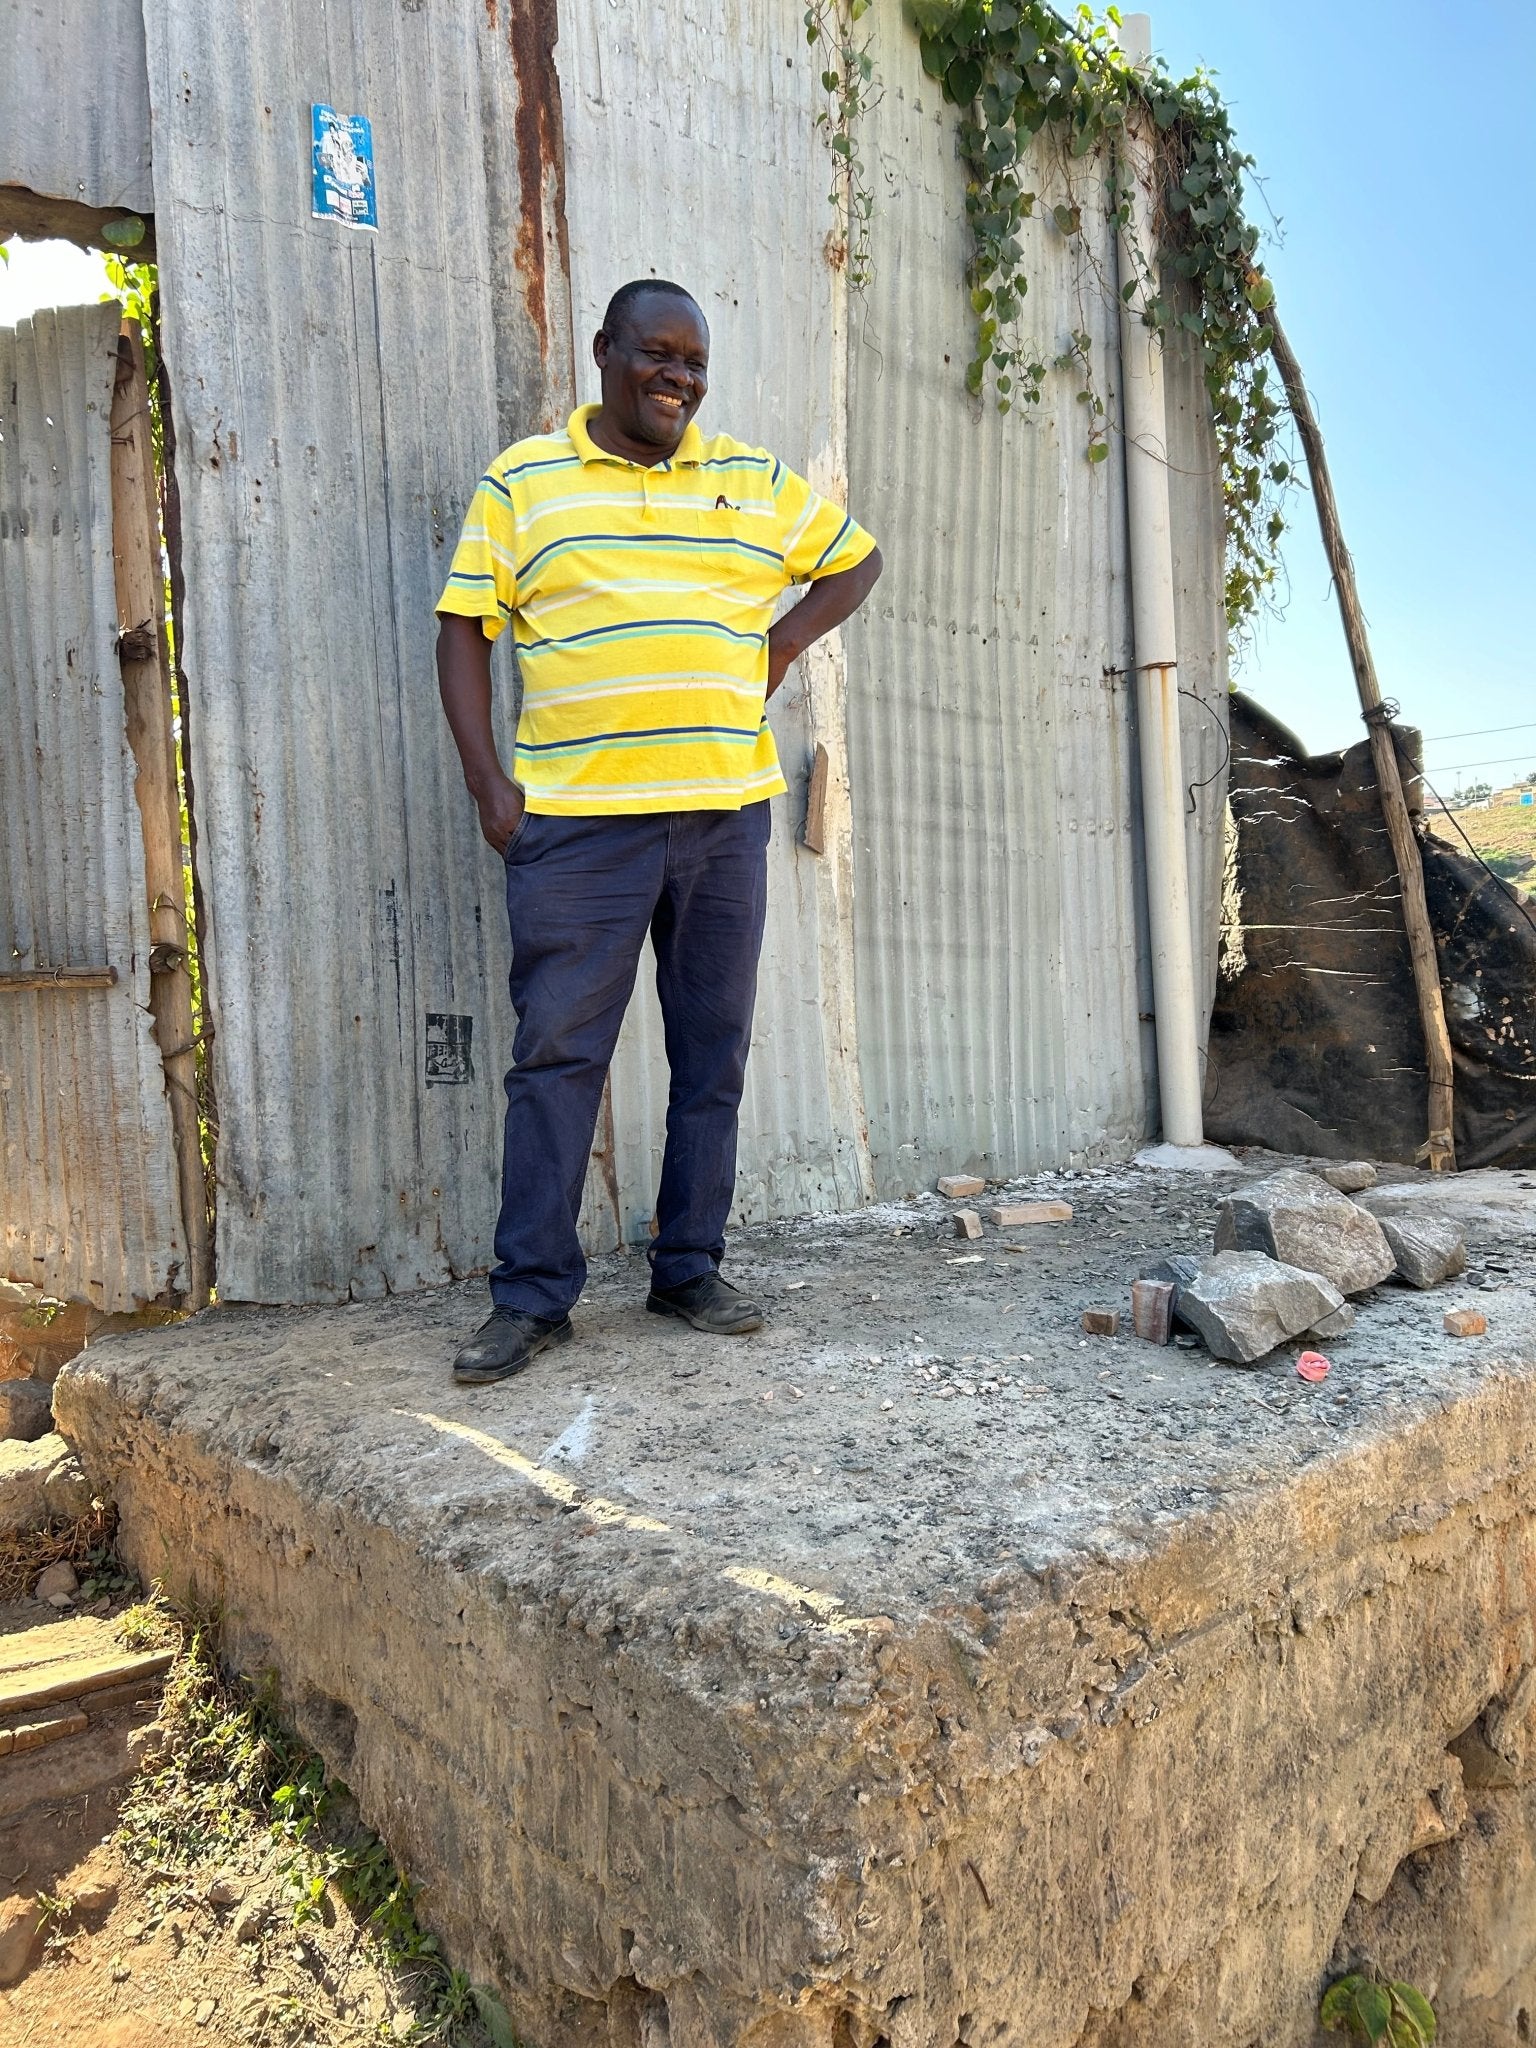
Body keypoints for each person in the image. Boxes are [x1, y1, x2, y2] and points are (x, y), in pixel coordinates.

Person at [435, 279, 883, 1385]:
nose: (678, 378)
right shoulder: (524, 482)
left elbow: (856, 560)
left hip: (723, 817)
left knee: (710, 1053)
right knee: (557, 1058)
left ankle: (688, 1267)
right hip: (579, 829)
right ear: (605, 350)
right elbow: (463, 629)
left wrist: (781, 647)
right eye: (658, 354)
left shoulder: (749, 480)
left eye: (695, 363)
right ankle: (532, 1296)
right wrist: (490, 786)